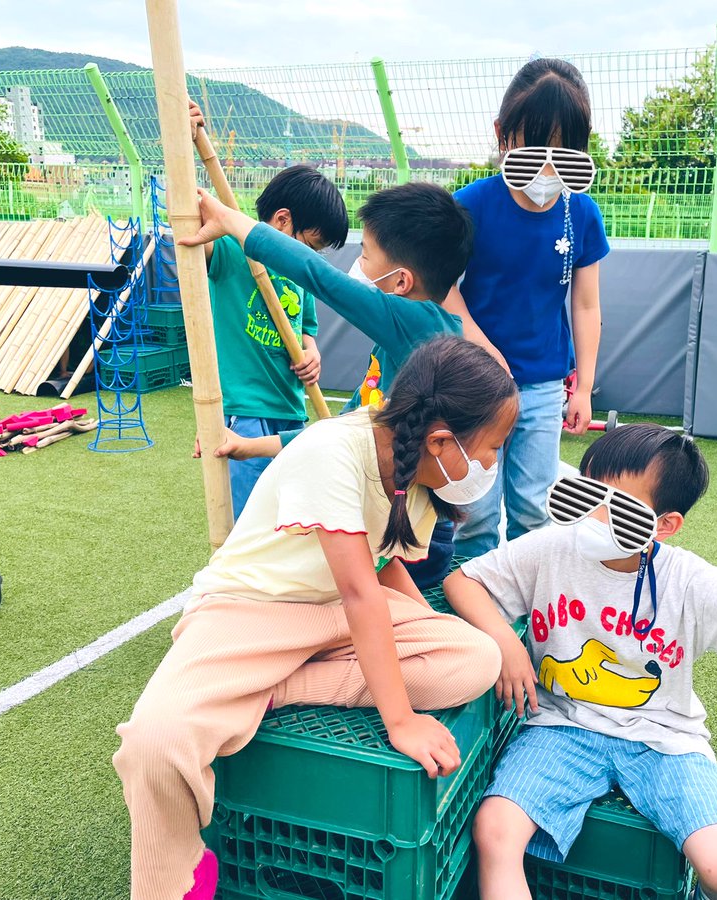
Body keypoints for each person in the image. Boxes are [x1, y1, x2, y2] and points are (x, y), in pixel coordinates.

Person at [114, 337, 518, 900]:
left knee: (473, 658)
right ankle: (177, 876)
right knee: (154, 745)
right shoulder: (334, 450)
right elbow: (359, 592)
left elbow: (384, 569)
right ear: (442, 441)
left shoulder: (423, 473)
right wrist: (398, 720)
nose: (493, 462)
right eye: (493, 446)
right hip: (251, 610)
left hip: (337, 620)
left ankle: (270, 689)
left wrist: (430, 630)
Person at [443, 425, 717, 900]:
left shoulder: (685, 578)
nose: (592, 515)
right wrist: (505, 641)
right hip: (559, 726)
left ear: (664, 525)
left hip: (665, 737)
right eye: (583, 492)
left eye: (617, 507)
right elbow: (463, 582)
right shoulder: (551, 548)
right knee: (494, 831)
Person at [186, 179, 474, 588]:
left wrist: (231, 221)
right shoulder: (401, 342)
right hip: (394, 525)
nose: (358, 264)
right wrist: (249, 447)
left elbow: (319, 277)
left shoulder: (421, 327)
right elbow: (341, 432)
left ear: (401, 282)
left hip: (410, 535)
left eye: (367, 254)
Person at [444, 58, 609, 559]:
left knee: (534, 508)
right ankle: (471, 595)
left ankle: (524, 600)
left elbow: (585, 303)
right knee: (474, 510)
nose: (548, 165)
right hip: (474, 383)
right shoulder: (470, 205)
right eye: (535, 145)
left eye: (566, 149)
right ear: (502, 134)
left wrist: (582, 386)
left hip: (541, 386)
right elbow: (443, 289)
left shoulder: (580, 211)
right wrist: (482, 347)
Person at [189, 102, 348, 517]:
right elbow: (187, 216)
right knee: (248, 521)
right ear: (281, 221)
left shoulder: (299, 273)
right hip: (245, 412)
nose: (311, 257)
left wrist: (312, 352)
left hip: (292, 413)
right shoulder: (229, 249)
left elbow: (306, 328)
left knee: (290, 519)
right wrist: (183, 140)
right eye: (310, 245)